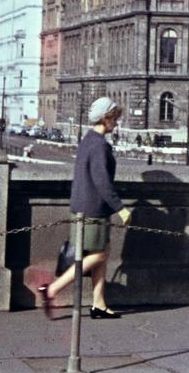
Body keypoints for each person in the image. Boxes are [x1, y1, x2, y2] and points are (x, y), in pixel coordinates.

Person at [41, 96, 132, 320]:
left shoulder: (88, 140)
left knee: (101, 252)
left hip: (85, 205)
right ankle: (52, 290)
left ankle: (99, 304)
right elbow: (102, 182)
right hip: (93, 208)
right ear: (105, 118)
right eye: (114, 118)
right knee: (98, 254)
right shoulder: (99, 145)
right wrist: (120, 208)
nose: (116, 123)